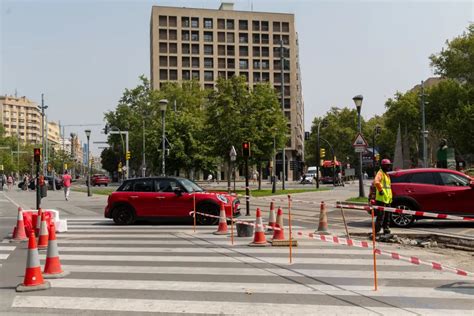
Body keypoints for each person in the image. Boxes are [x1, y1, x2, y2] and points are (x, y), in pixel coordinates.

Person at [373, 159, 393, 235]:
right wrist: (381, 191)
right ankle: (376, 231)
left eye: (389, 165)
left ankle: (386, 229)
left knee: (387, 215)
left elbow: (388, 187)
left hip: (387, 199)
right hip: (381, 199)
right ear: (383, 166)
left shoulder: (386, 174)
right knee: (381, 216)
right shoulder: (380, 173)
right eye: (387, 165)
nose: (388, 167)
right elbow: (376, 182)